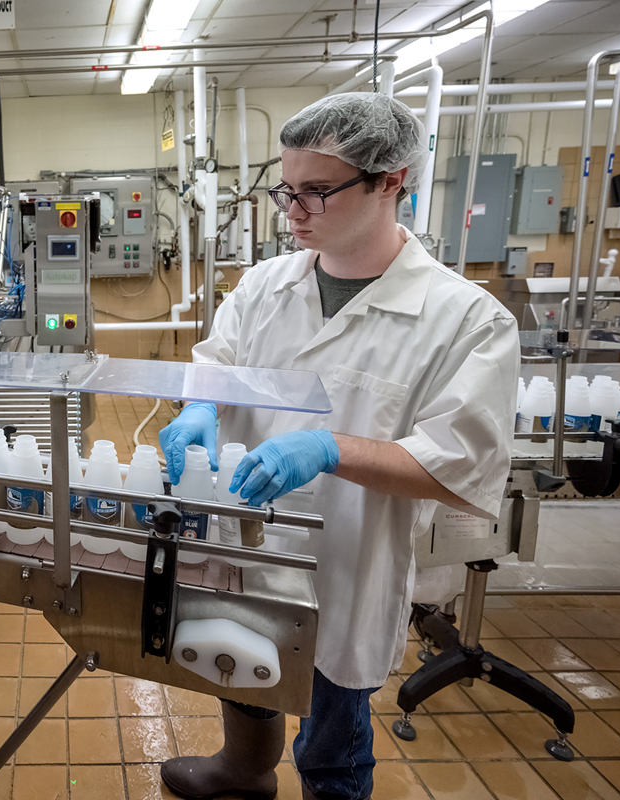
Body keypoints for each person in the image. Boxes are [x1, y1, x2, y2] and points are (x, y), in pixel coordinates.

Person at [157, 93, 519, 800]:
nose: (293, 211)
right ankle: (245, 771)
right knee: (243, 661)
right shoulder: (266, 285)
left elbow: (461, 468)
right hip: (250, 540)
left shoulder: (465, 320)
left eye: (317, 192)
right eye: (286, 190)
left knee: (332, 726)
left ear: (394, 181)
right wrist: (201, 403)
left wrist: (330, 449)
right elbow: (217, 358)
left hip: (347, 564)